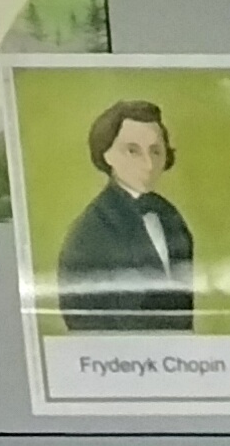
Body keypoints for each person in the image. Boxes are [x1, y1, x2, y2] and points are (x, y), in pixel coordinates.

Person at [52, 101, 195, 335]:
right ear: (107, 154)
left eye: (156, 151)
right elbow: (82, 320)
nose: (148, 164)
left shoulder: (170, 217)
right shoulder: (90, 231)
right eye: (132, 151)